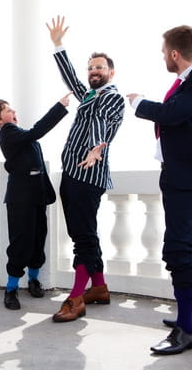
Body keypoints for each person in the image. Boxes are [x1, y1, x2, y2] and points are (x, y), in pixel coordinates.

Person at [127, 25, 192, 355]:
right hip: (180, 176)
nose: (162, 57)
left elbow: (170, 115)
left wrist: (138, 102)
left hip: (189, 179)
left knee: (177, 248)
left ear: (174, 53)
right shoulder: (189, 82)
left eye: (163, 52)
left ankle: (186, 330)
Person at [46, 16, 125, 322]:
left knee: (83, 238)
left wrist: (96, 147)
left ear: (111, 72)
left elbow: (100, 123)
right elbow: (71, 79)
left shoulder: (111, 97)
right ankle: (100, 288)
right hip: (73, 173)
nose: (94, 72)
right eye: (91, 68)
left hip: (87, 175)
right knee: (86, 232)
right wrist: (58, 45)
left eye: (100, 68)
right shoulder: (89, 95)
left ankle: (76, 297)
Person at [0, 94, 70, 310]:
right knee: (21, 241)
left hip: (36, 194)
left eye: (12, 109)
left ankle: (33, 279)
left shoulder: (18, 133)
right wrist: (59, 107)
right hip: (20, 197)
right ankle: (11, 289)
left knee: (38, 238)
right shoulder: (8, 132)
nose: (13, 112)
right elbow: (37, 131)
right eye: (7, 110)